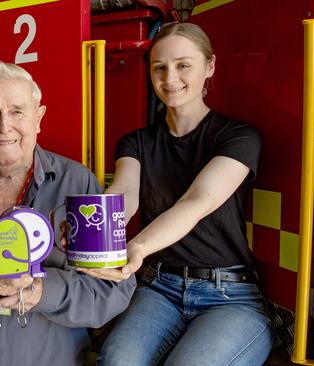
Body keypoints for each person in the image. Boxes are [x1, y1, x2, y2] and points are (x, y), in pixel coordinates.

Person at [0, 61, 136, 366]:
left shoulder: (77, 184)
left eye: (17, 111)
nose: (4, 126)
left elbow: (110, 292)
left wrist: (40, 291)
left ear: (38, 118)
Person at [78, 23, 273, 365]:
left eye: (183, 65)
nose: (170, 78)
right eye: (159, 67)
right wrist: (90, 233)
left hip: (230, 295)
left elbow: (198, 202)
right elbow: (124, 194)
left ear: (209, 66)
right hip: (160, 288)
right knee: (117, 360)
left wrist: (136, 247)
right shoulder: (136, 142)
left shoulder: (238, 136)